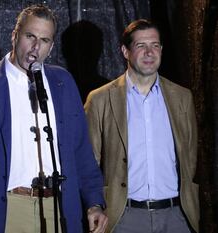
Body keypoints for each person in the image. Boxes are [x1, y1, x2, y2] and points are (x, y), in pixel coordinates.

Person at [0, 4, 107, 233]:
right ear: (15, 36)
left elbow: (81, 150)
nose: (36, 47)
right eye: (30, 36)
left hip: (58, 208)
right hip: (5, 209)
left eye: (44, 40)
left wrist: (94, 203)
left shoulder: (62, 82)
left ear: (51, 46)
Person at [84, 19, 199, 233]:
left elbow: (190, 156)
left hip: (176, 217)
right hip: (125, 217)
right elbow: (88, 161)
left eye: (155, 45)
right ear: (125, 52)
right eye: (141, 46)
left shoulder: (183, 97)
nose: (149, 52)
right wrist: (95, 206)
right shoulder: (99, 99)